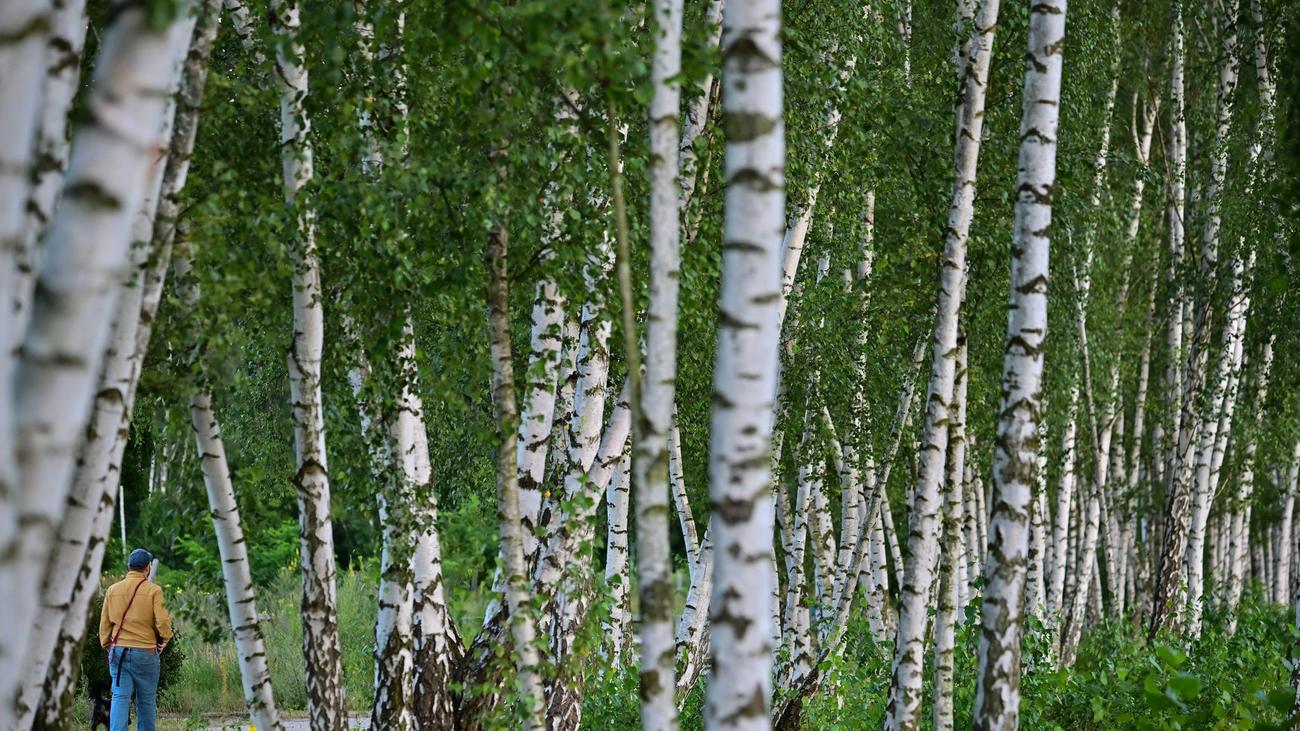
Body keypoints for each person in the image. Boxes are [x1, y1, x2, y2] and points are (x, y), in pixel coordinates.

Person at [99, 548, 173, 731]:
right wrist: (165, 639)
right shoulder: (154, 591)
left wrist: (108, 645)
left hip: (119, 653)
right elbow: (163, 621)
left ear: (129, 566)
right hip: (146, 653)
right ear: (147, 568)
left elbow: (105, 624)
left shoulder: (112, 590)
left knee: (119, 697)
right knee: (146, 700)